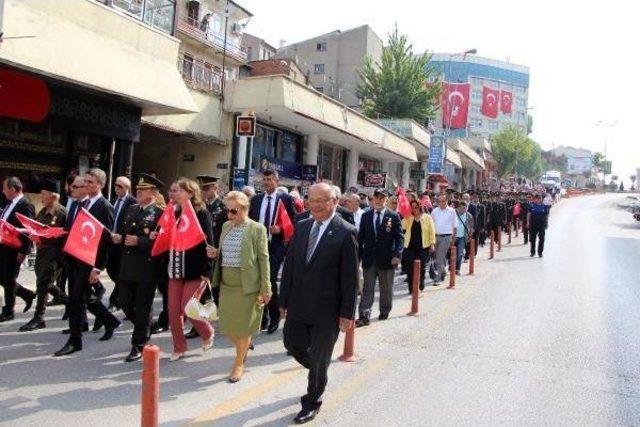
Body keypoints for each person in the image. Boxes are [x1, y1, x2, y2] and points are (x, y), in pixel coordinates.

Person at [280, 183, 358, 424]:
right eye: (311, 200)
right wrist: (283, 301)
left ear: (334, 202)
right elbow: (290, 266)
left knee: (320, 357)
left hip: (328, 310)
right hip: (299, 304)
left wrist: (347, 313)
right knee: (292, 344)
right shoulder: (302, 226)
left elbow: (350, 278)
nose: (315, 205)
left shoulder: (345, 232)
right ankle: (319, 369)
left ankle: (312, 400)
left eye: (321, 200)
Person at [54, 168, 121, 357]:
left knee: (76, 300)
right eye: (86, 182)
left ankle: (75, 341)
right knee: (83, 297)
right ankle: (110, 321)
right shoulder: (83, 203)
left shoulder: (104, 206)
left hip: (89, 261)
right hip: (75, 258)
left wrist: (97, 267)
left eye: (91, 182)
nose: (87, 185)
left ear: (100, 184)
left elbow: (105, 241)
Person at [211, 191, 271, 382]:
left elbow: (263, 259)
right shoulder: (226, 226)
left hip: (247, 286)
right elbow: (224, 251)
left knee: (243, 328)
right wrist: (215, 252)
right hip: (227, 284)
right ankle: (245, 345)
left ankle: (238, 363)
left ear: (245, 209)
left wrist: (266, 287)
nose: (229, 215)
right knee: (228, 327)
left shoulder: (257, 229)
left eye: (234, 211)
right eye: (227, 211)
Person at [115, 173, 165, 362]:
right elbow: (124, 232)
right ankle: (145, 327)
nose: (138, 191)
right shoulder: (132, 209)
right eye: (137, 189)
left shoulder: (160, 214)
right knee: (125, 301)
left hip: (147, 267)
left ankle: (139, 344)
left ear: (152, 192)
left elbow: (162, 242)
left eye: (142, 189)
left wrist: (141, 241)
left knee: (143, 305)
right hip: (128, 265)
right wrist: (120, 238)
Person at [166, 178, 215, 361]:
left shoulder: (201, 213)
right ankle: (179, 347)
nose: (174, 193)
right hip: (175, 268)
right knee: (173, 311)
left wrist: (207, 271)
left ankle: (207, 332)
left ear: (190, 193)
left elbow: (209, 243)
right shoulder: (171, 213)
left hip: (195, 269)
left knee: (189, 308)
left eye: (179, 190)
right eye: (174, 190)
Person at [248, 169, 296, 334]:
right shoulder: (256, 200)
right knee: (257, 281)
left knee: (269, 281)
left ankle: (275, 317)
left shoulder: (286, 200)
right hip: (257, 247)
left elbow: (293, 223)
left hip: (275, 247)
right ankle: (262, 317)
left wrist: (280, 228)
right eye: (264, 179)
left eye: (269, 179)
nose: (266, 182)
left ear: (277, 181)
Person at [19, 178, 69, 332]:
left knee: (42, 284)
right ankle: (68, 301)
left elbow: (67, 236)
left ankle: (39, 317)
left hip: (55, 255)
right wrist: (34, 236)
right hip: (42, 252)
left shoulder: (62, 213)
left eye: (44, 194)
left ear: (54, 196)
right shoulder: (42, 210)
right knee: (44, 282)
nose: (41, 197)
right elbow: (36, 227)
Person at [356, 189, 403, 327]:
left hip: (387, 259)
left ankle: (384, 309)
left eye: (381, 198)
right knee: (367, 288)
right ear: (372, 199)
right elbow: (360, 238)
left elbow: (399, 238)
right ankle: (364, 314)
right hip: (369, 259)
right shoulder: (366, 216)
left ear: (386, 200)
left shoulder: (393, 216)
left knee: (386, 287)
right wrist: (357, 257)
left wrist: (397, 255)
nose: (378, 200)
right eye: (376, 197)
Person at [0, 177, 36, 322]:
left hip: (15, 249)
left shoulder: (25, 205)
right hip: (4, 246)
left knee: (8, 279)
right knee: (4, 277)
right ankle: (26, 294)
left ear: (13, 189)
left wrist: (23, 251)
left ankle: (8, 311)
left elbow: (28, 230)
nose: (3, 191)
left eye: (5, 188)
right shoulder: (10, 204)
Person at [107, 176, 136, 311]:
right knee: (111, 270)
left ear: (127, 188)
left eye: (120, 187)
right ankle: (125, 294)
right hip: (111, 241)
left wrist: (122, 236)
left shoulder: (133, 203)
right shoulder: (113, 201)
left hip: (123, 243)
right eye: (116, 186)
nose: (117, 189)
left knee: (119, 272)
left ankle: (116, 300)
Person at [401, 200, 435, 292]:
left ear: (420, 207)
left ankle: (421, 281)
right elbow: (403, 228)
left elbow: (432, 231)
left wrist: (432, 244)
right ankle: (411, 287)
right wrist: (405, 216)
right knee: (409, 267)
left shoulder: (427, 217)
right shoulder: (408, 217)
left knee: (421, 266)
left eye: (416, 207)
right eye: (412, 207)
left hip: (423, 246)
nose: (414, 209)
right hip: (409, 246)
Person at [430, 194, 457, 285]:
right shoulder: (434, 211)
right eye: (439, 201)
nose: (441, 203)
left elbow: (455, 226)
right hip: (435, 236)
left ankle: (438, 277)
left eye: (443, 201)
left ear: (447, 201)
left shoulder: (452, 211)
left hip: (446, 237)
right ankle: (443, 272)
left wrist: (453, 239)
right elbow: (431, 225)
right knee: (437, 256)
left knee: (439, 258)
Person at [454, 201, 475, 276]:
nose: (464, 210)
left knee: (460, 253)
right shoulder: (453, 214)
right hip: (453, 237)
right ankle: (451, 266)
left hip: (462, 237)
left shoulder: (468, 215)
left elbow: (471, 226)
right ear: (459, 207)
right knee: (451, 253)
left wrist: (470, 234)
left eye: (465, 208)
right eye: (463, 208)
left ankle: (457, 269)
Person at [528, 193, 550, 258]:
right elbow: (528, 214)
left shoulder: (544, 207)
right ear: (534, 199)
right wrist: (528, 223)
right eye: (536, 198)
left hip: (541, 225)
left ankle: (540, 252)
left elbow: (547, 216)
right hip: (533, 224)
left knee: (542, 239)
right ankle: (532, 252)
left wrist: (547, 223)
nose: (537, 200)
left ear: (541, 199)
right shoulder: (531, 206)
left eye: (539, 199)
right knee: (532, 239)